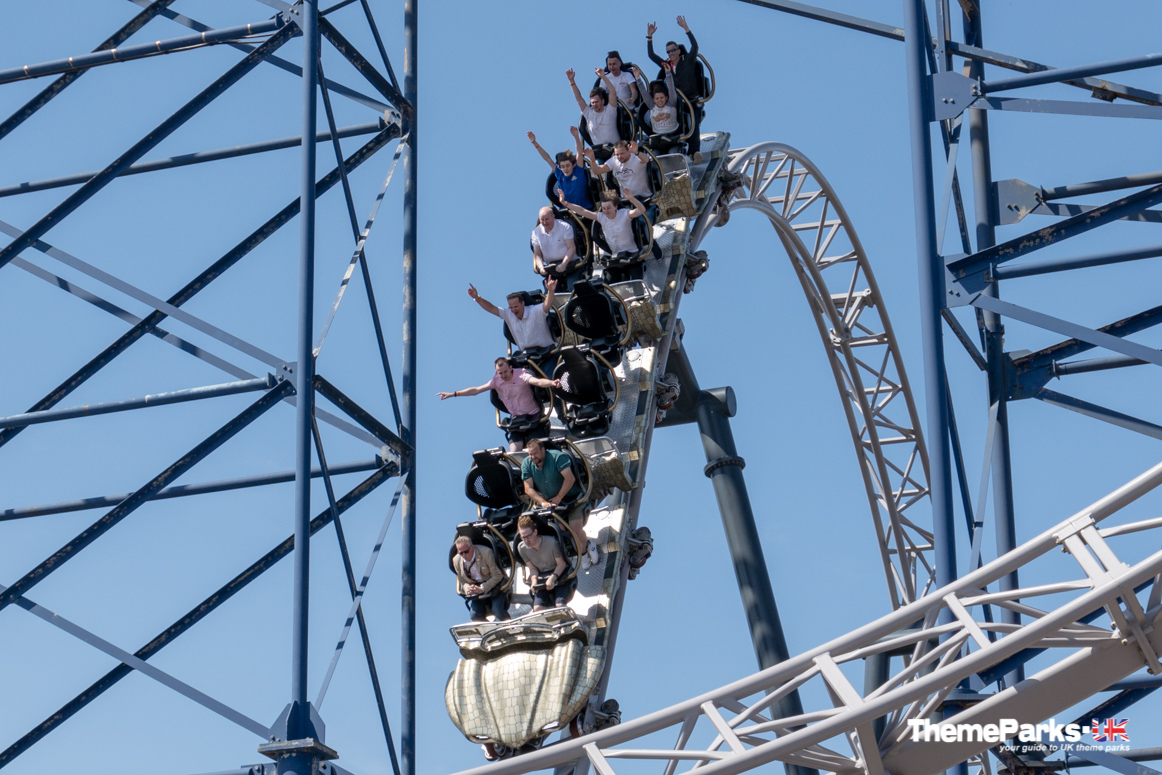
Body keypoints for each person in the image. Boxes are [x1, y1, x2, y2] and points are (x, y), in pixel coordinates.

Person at [437, 357, 561, 451]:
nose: (503, 375)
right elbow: (476, 390)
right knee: (514, 451)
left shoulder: (521, 374)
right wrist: (454, 394)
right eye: (500, 373)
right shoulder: (496, 381)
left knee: (534, 449)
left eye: (505, 372)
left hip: (533, 417)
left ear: (511, 368)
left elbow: (538, 382)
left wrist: (552, 383)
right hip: (517, 419)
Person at [521, 437, 599, 570]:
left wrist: (558, 497)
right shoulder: (527, 463)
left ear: (543, 450)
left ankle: (587, 547)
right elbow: (527, 488)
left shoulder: (557, 457)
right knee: (559, 531)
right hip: (554, 506)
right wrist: (542, 502)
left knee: (575, 528)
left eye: (535, 453)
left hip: (573, 500)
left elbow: (570, 479)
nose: (533, 457)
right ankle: (581, 551)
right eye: (530, 454)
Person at [647, 16, 703, 156]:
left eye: (673, 50)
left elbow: (695, 47)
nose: (670, 53)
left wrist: (686, 29)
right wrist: (649, 37)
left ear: (678, 51)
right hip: (676, 101)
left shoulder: (688, 60)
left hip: (691, 99)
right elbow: (652, 56)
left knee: (692, 121)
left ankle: (695, 151)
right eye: (668, 52)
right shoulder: (667, 66)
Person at [467, 277, 557, 353]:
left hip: (547, 353)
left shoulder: (534, 311)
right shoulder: (508, 314)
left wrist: (550, 291)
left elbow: (547, 304)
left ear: (522, 304)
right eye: (511, 307)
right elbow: (491, 308)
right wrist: (477, 298)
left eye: (516, 307)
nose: (513, 310)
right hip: (527, 358)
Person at [559, 188, 646, 259]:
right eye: (604, 208)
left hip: (631, 253)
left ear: (615, 206)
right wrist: (565, 203)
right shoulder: (601, 217)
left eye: (608, 208)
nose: (606, 211)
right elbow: (582, 211)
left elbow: (642, 210)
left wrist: (632, 199)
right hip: (615, 255)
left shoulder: (624, 214)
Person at [516, 514, 571, 611]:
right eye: (523, 537)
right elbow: (533, 569)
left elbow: (561, 564)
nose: (526, 541)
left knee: (560, 606)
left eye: (528, 536)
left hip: (559, 574)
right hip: (542, 577)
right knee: (537, 608)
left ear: (535, 532)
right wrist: (534, 581)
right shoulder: (522, 548)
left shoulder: (552, 542)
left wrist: (552, 578)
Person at [528, 130, 593, 209]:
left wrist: (576, 136)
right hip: (568, 212)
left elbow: (579, 153)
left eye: (567, 166)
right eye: (563, 167)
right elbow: (547, 158)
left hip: (585, 209)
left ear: (573, 165)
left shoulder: (578, 170)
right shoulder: (560, 174)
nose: (565, 169)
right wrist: (535, 143)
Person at [452, 536, 510, 622]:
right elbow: (462, 580)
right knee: (475, 616)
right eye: (461, 553)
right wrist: (468, 589)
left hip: (495, 585)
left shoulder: (486, 553)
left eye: (466, 552)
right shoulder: (456, 560)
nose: (464, 555)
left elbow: (497, 575)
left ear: (472, 548)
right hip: (476, 588)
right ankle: (490, 629)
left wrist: (483, 588)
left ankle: (511, 626)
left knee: (498, 611)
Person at [568, 67, 621, 160]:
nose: (594, 105)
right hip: (599, 154)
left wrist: (603, 77)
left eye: (596, 102)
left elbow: (613, 93)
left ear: (602, 101)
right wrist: (572, 81)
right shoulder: (589, 113)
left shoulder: (610, 110)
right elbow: (579, 99)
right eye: (592, 103)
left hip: (616, 152)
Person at [631, 63, 681, 154]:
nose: (659, 100)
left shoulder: (671, 103)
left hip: (672, 138)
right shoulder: (652, 106)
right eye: (657, 99)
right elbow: (644, 93)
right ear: (653, 100)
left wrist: (668, 74)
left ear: (666, 97)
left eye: (662, 98)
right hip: (658, 140)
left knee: (673, 154)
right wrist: (637, 78)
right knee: (655, 156)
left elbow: (671, 89)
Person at [585, 140, 653, 200]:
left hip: (644, 197)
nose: (619, 156)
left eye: (622, 153)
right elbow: (597, 171)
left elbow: (646, 160)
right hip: (626, 199)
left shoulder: (636, 158)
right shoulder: (614, 161)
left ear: (628, 151)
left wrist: (637, 153)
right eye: (617, 154)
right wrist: (592, 159)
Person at [531, 206, 578, 281]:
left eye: (547, 219)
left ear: (553, 217)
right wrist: (541, 267)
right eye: (542, 220)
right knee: (549, 286)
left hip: (570, 264)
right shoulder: (536, 232)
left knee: (572, 284)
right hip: (551, 268)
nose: (545, 222)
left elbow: (571, 248)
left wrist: (563, 264)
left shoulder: (564, 227)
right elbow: (537, 254)